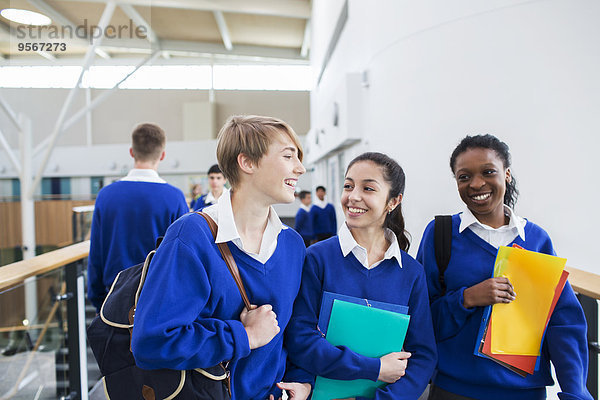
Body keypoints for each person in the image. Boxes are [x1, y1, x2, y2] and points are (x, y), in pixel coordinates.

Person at [131, 115, 311, 400]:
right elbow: (153, 341)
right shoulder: (191, 236)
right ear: (247, 163)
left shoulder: (292, 245)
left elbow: (296, 331)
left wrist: (302, 383)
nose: (300, 168)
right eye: (288, 156)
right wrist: (245, 336)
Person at [417, 134, 592, 400]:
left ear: (507, 174)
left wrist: (575, 392)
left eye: (488, 172)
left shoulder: (536, 239)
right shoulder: (440, 234)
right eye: (464, 177)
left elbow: (563, 323)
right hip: (454, 390)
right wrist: (467, 298)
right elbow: (420, 320)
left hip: (524, 393)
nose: (476, 184)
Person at [286, 152, 437, 400]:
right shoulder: (317, 259)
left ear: (393, 201)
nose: (353, 196)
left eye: (368, 188)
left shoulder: (411, 272)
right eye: (348, 186)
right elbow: (300, 340)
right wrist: (374, 369)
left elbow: (423, 355)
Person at [87, 123, 188, 312]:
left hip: (113, 298)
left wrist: (97, 298)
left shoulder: (106, 195)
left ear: (132, 152)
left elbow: (96, 253)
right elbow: (182, 257)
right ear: (163, 155)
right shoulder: (174, 197)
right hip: (158, 301)